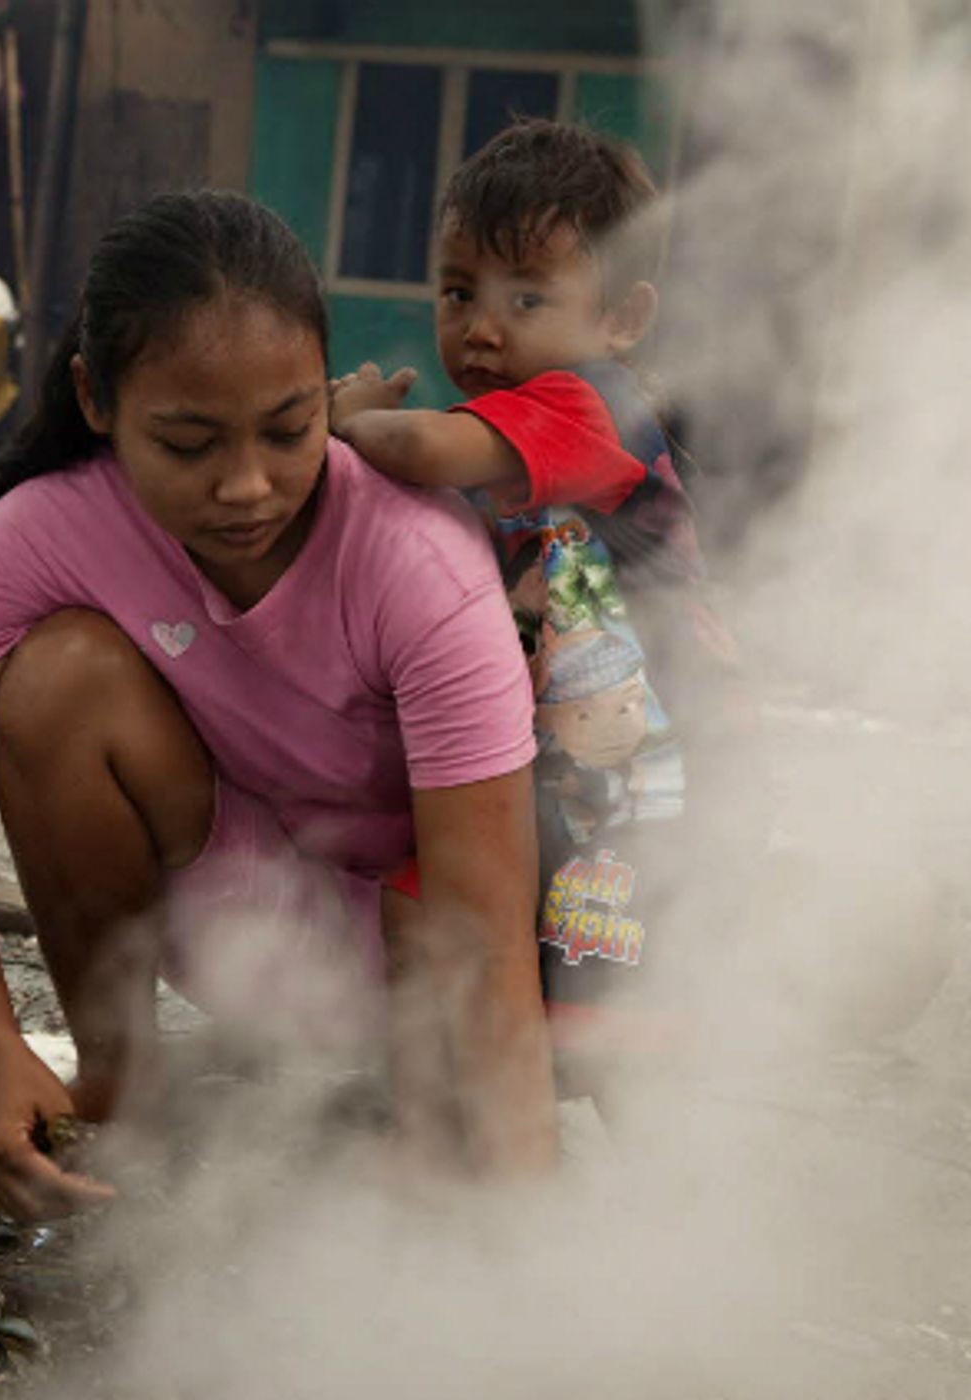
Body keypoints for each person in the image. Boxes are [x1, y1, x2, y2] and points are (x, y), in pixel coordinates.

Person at [0, 190, 557, 1222]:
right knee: (59, 678)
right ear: (95, 400)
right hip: (249, 927)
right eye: (189, 443)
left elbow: (487, 932)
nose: (246, 486)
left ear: (324, 389)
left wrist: (532, 1232)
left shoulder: (418, 560)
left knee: (492, 1162)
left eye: (287, 430)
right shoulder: (37, 533)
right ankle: (113, 1077)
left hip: (425, 955)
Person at [329, 119, 752, 1057]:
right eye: (458, 290)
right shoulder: (531, 412)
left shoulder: (590, 404)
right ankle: (463, 1121)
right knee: (442, 913)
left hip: (647, 764)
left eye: (528, 296)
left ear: (623, 318)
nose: (481, 326)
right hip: (571, 764)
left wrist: (353, 422)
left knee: (617, 1016)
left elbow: (424, 448)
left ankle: (583, 1161)